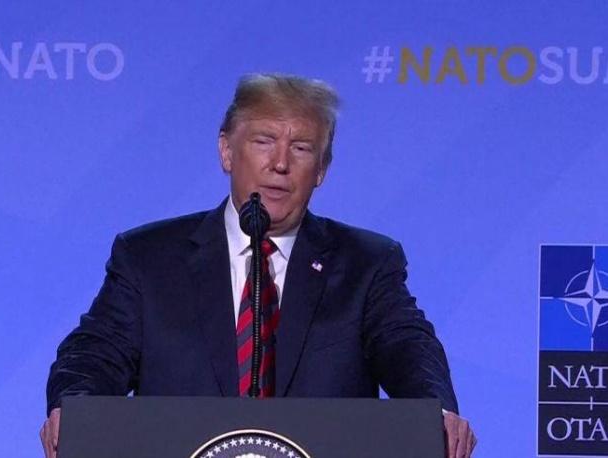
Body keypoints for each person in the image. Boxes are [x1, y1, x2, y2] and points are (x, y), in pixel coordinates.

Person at [40, 73, 477, 457]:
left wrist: (435, 411)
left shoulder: (366, 264)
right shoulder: (148, 258)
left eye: (301, 148)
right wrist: (74, 409)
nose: (280, 164)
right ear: (227, 151)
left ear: (322, 169)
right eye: (264, 141)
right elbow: (96, 354)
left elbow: (407, 347)